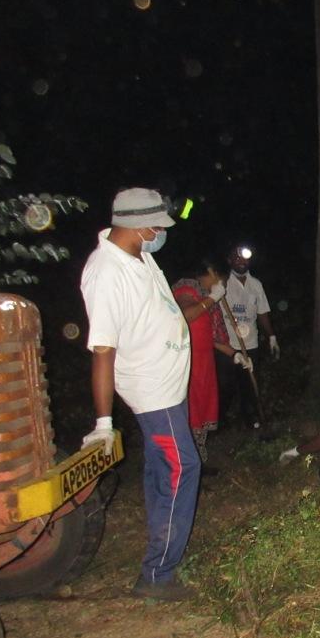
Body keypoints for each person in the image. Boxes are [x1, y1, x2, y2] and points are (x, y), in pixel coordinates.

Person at [79, 187, 201, 602]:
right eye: (157, 227)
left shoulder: (139, 256)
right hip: (152, 392)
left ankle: (162, 544)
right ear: (138, 226)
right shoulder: (106, 273)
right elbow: (103, 350)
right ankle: (156, 575)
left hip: (168, 386)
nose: (160, 233)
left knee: (161, 470)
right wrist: (103, 423)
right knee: (183, 468)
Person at [172, 259, 253, 469]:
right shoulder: (187, 289)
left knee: (202, 409)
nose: (222, 285)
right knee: (191, 412)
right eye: (221, 280)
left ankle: (197, 462)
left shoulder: (205, 297)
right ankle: (187, 464)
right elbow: (185, 316)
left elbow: (210, 338)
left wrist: (235, 354)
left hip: (204, 364)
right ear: (211, 274)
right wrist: (212, 298)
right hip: (187, 365)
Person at [218, 244, 279, 430]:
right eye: (236, 258)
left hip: (250, 345)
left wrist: (272, 337)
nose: (241, 261)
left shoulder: (256, 285)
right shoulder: (223, 283)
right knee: (225, 386)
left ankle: (250, 420)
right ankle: (219, 421)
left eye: (244, 258)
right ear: (229, 260)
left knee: (249, 386)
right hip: (227, 346)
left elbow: (262, 312)